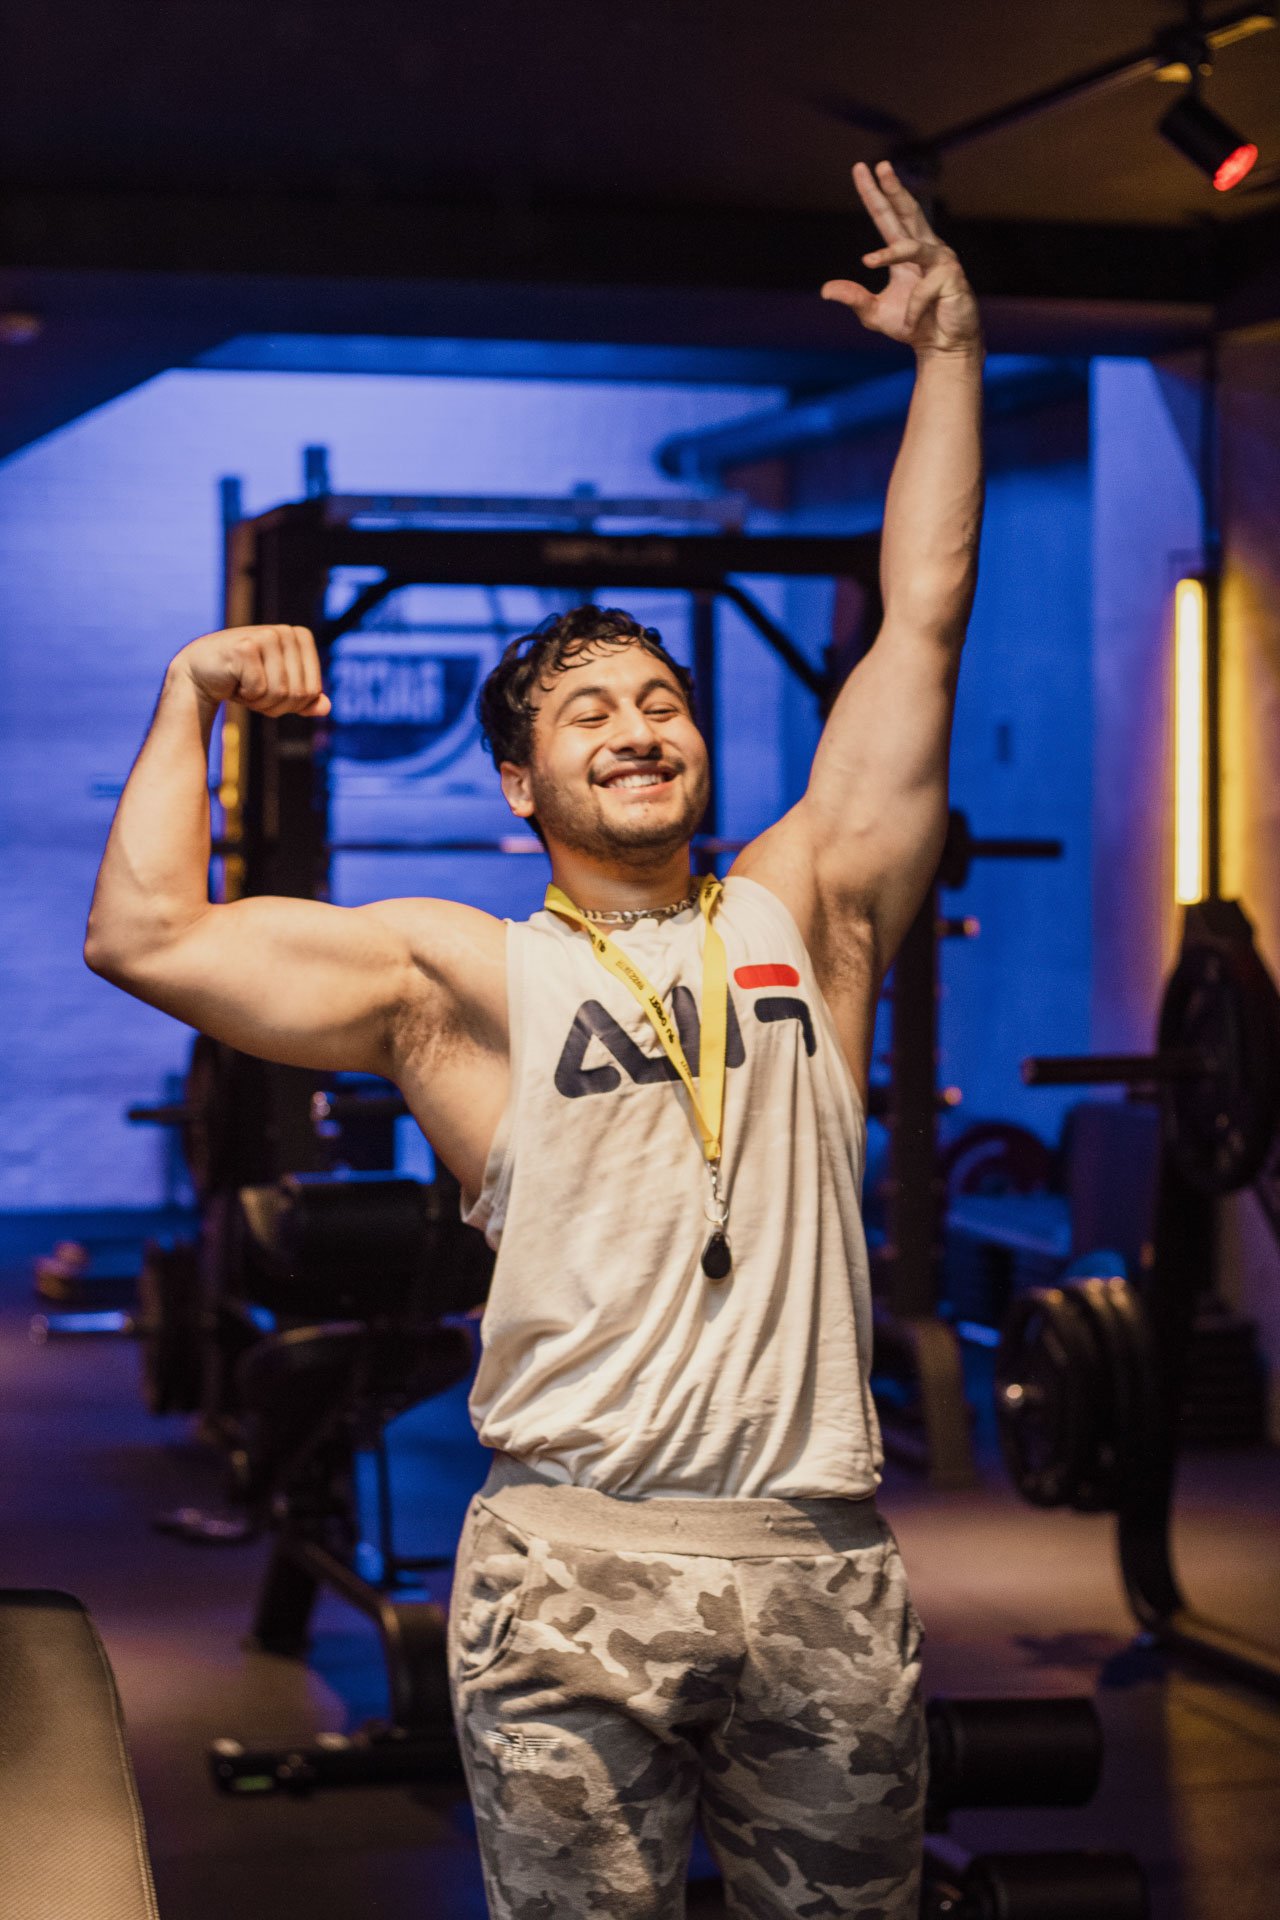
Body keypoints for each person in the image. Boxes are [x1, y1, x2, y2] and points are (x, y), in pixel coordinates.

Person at [86, 160, 982, 1918]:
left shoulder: (812, 907)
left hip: (814, 1558)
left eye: (661, 702)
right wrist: (191, 695)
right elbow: (147, 935)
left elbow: (925, 615)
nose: (639, 727)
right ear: (522, 785)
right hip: (571, 1563)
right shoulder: (460, 978)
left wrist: (948, 359)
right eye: (589, 713)